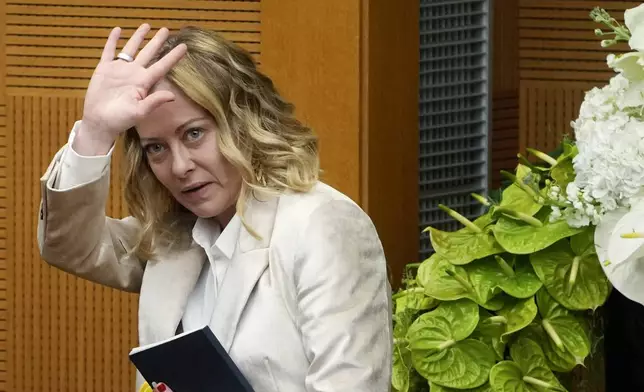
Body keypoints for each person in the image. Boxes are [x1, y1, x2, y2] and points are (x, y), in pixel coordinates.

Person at [36, 23, 393, 392]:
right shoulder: (171, 236)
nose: (179, 167)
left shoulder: (322, 225)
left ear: (243, 121)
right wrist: (94, 131)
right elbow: (70, 245)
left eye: (194, 134)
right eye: (156, 147)